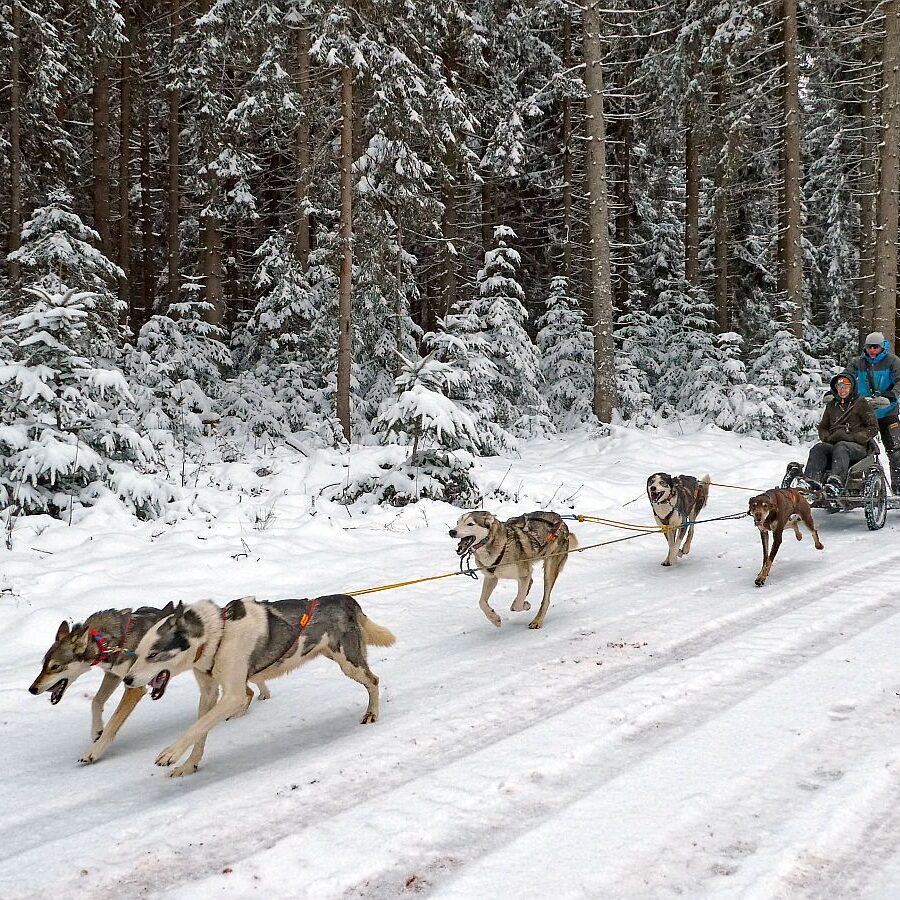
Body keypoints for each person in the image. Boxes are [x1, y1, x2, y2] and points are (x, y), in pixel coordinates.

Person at [803, 373, 877, 496]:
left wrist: (856, 437)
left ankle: (835, 482)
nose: (842, 390)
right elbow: (823, 427)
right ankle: (811, 482)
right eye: (840, 386)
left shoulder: (861, 403)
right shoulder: (832, 405)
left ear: (852, 387)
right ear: (835, 388)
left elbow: (873, 428)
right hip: (835, 444)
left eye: (846, 386)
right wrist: (826, 437)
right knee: (818, 448)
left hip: (857, 447)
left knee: (842, 446)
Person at [846, 331, 900, 493]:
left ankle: (898, 488)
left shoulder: (893, 361)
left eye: (875, 347)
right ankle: (854, 487)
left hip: (887, 412)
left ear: (882, 346)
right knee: (855, 448)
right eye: (869, 347)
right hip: (863, 414)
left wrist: (890, 396)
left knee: (896, 450)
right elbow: (845, 378)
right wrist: (836, 390)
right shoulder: (857, 363)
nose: (872, 350)